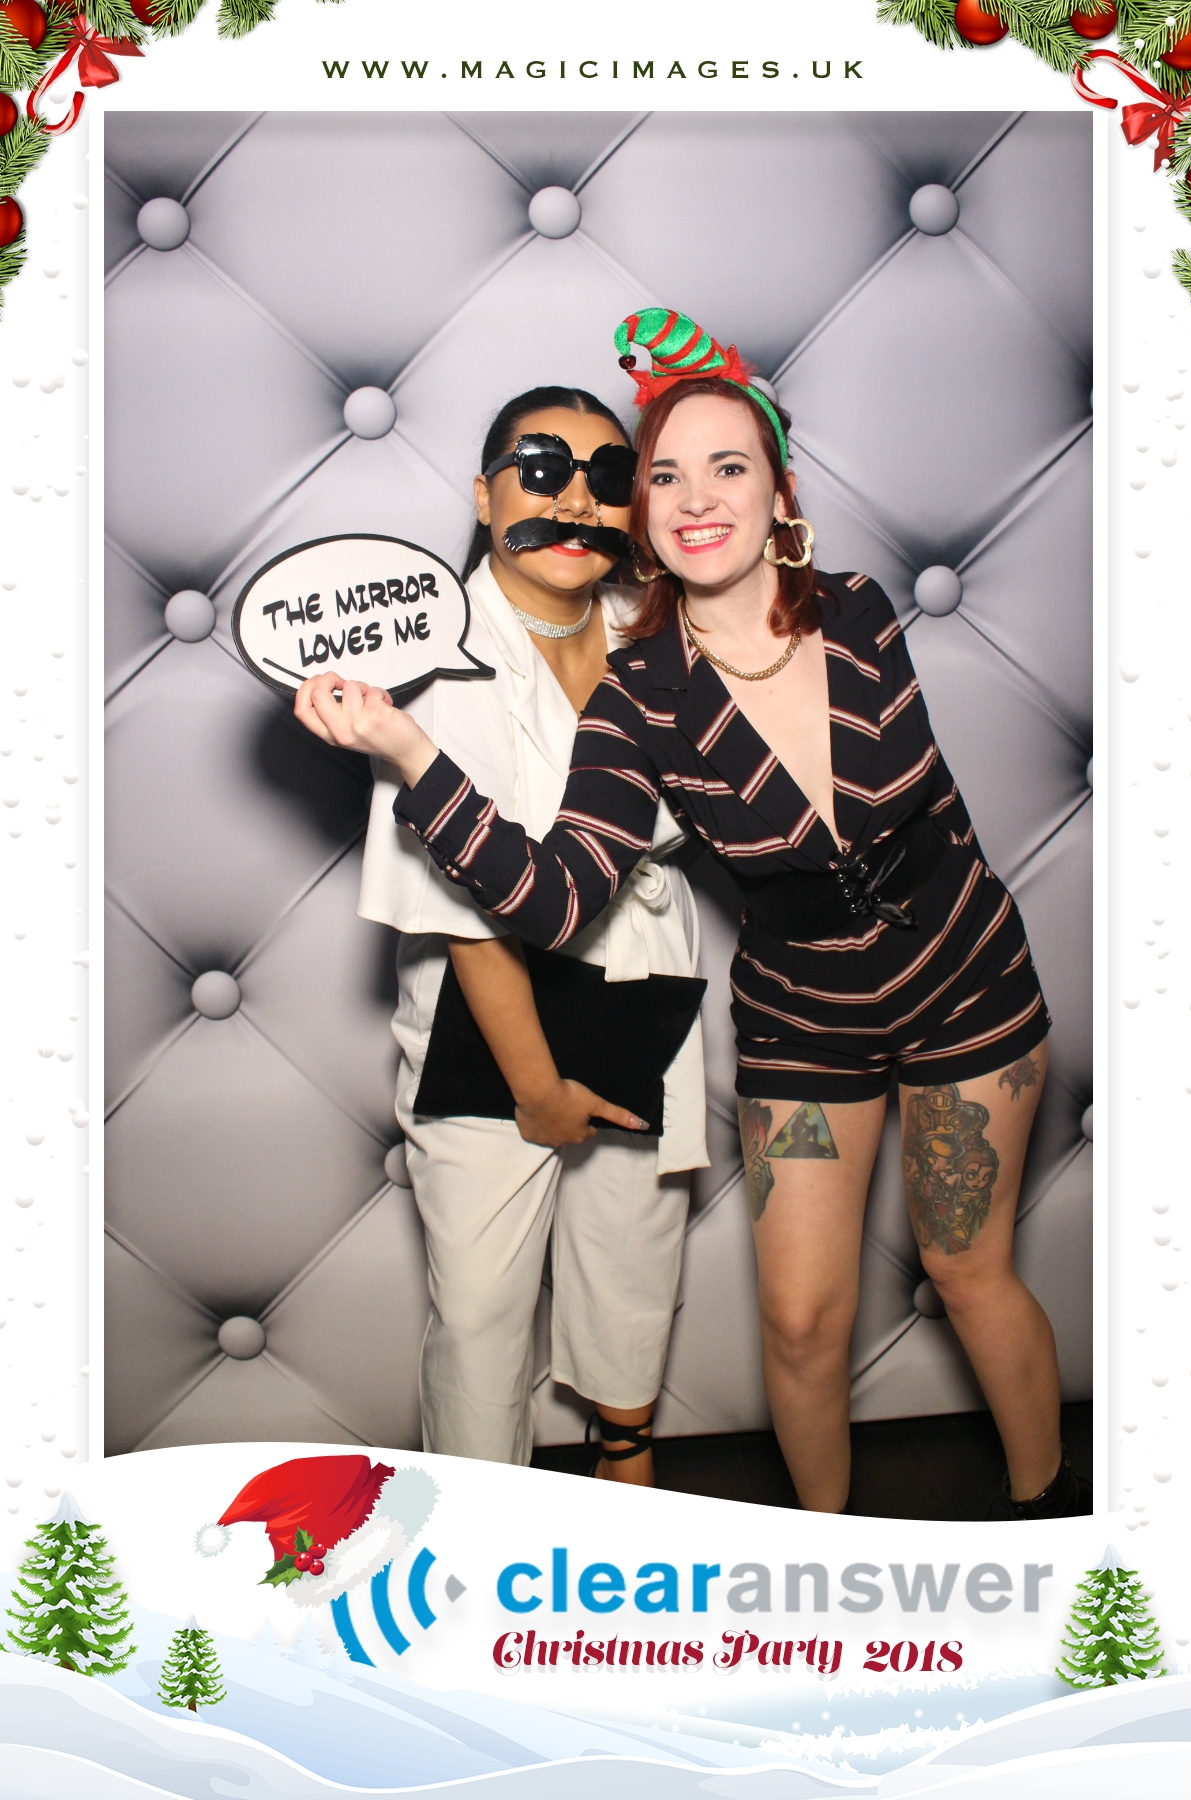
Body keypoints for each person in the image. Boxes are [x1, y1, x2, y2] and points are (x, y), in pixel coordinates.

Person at [296, 311, 1086, 1523]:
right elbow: (553, 894)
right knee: (783, 1321)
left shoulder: (855, 612)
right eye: (663, 475)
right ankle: (801, 1563)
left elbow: (919, 820)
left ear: (780, 492)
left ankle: (1053, 1530)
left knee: (960, 1268)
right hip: (791, 1019)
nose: (690, 496)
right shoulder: (636, 691)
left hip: (962, 988)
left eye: (724, 466)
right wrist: (409, 750)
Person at [344, 385, 708, 1483]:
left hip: (641, 983)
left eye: (609, 478)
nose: (577, 502)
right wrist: (538, 1089)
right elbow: (464, 911)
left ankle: (627, 1491)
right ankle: (472, 1543)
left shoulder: (657, 628)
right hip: (492, 1021)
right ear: (484, 494)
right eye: (543, 471)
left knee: (633, 1268)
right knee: (482, 1318)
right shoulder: (429, 656)